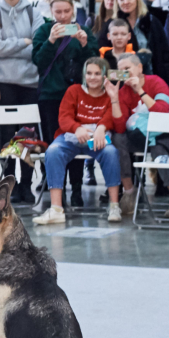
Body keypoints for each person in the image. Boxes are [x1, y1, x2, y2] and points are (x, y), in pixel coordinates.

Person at [34, 56, 129, 225]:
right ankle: (56, 209)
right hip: (72, 136)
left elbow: (111, 118)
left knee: (111, 152)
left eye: (97, 73)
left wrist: (101, 127)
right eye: (89, 73)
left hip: (97, 138)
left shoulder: (110, 93)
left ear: (105, 75)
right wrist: (77, 127)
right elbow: (63, 117)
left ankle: (114, 205)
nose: (92, 77)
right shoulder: (74, 90)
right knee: (53, 151)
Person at [32, 0, 99, 209]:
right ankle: (56, 189)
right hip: (51, 95)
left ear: (73, 10)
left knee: (76, 140)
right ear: (51, 12)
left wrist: (84, 44)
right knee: (55, 143)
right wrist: (51, 40)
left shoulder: (83, 30)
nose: (62, 16)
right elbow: (38, 61)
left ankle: (77, 190)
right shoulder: (43, 30)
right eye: (58, 12)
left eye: (66, 11)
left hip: (77, 95)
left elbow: (93, 62)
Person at [0, 0, 44, 203]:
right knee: (7, 138)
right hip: (4, 83)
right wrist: (23, 42)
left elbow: (37, 46)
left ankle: (26, 186)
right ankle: (6, 188)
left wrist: (15, 45)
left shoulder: (33, 12)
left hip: (30, 82)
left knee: (26, 137)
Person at [115, 51, 169, 216]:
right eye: (120, 70)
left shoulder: (156, 82)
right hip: (141, 136)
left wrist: (140, 91)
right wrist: (114, 99)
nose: (124, 73)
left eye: (127, 68)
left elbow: (162, 113)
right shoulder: (123, 92)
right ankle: (129, 191)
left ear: (139, 68)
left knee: (158, 149)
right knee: (118, 139)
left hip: (168, 133)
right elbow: (120, 127)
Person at [115, 0, 169, 80]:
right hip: (123, 86)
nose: (126, 2)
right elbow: (108, 71)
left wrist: (168, 86)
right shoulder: (113, 25)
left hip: (151, 81)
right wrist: (127, 77)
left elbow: (165, 55)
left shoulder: (152, 21)